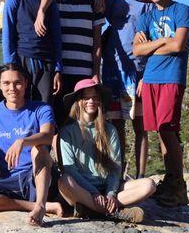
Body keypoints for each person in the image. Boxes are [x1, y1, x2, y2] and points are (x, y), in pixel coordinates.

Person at [0, 63, 64, 227]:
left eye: (17, 82)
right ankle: (38, 206)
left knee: (38, 149)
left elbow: (48, 136)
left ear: (26, 83)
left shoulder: (41, 108)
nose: (12, 87)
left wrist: (22, 141)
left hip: (39, 177)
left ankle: (40, 205)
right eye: (6, 83)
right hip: (10, 182)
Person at [131, 0, 189, 207]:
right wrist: (165, 40)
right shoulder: (145, 17)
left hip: (171, 77)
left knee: (168, 129)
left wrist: (154, 44)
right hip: (150, 79)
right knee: (160, 131)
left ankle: (178, 184)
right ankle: (170, 182)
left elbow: (179, 46)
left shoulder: (182, 10)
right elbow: (137, 50)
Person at [57, 79, 155, 223]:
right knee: (64, 182)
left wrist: (111, 193)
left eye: (95, 97)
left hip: (108, 188)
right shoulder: (67, 132)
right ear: (78, 101)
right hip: (83, 190)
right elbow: (69, 169)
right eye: (86, 97)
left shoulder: (110, 130)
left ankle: (94, 211)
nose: (91, 101)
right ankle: (114, 212)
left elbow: (115, 167)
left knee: (149, 185)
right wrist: (93, 192)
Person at [102, 0, 151, 178]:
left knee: (140, 127)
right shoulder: (111, 2)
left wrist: (147, 75)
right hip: (113, 71)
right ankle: (118, 175)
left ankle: (141, 176)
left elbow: (154, 36)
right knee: (116, 126)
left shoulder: (145, 3)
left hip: (138, 70)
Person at [51, 0, 105, 125]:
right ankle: (59, 154)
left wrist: (96, 72)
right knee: (59, 120)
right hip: (60, 73)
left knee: (84, 122)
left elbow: (97, 41)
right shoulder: (53, 3)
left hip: (85, 73)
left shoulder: (92, 3)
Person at [3, 0, 63, 104]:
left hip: (46, 62)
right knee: (20, 106)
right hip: (22, 59)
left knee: (44, 107)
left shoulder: (51, 4)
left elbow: (56, 38)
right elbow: (8, 35)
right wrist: (11, 66)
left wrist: (57, 69)